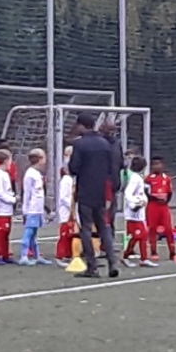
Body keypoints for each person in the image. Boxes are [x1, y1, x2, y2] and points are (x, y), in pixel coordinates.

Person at [68, 111, 119, 279]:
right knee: (104, 227)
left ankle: (92, 266)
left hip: (85, 190)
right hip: (101, 191)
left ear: (81, 125)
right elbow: (112, 167)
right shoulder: (105, 143)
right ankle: (112, 262)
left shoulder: (80, 144)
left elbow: (74, 168)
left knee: (86, 228)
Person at [121, 156, 158, 268]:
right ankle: (125, 256)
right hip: (133, 214)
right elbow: (128, 193)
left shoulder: (137, 177)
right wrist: (137, 203)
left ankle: (143, 259)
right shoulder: (135, 178)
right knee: (137, 236)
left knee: (142, 236)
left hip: (138, 214)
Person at [18, 148, 52, 266]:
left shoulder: (37, 174)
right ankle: (23, 255)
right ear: (39, 159)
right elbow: (27, 193)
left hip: (37, 209)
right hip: (32, 209)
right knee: (29, 231)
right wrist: (25, 210)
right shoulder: (30, 174)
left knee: (34, 233)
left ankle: (37, 256)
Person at [145, 155, 175, 261]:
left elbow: (170, 192)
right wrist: (155, 198)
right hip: (153, 206)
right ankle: (153, 251)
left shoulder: (167, 178)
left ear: (162, 165)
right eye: (154, 164)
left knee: (168, 229)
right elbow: (146, 192)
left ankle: (172, 252)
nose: (156, 166)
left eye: (158, 164)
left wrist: (166, 201)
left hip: (163, 207)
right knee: (152, 228)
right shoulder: (148, 179)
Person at [0, 149, 17, 265]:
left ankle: (5, 254)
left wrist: (13, 196)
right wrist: (12, 200)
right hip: (0, 210)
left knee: (6, 233)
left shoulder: (5, 174)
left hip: (7, 210)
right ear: (6, 160)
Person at [100, 116, 124, 230]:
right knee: (105, 212)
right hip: (104, 183)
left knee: (109, 212)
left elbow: (121, 163)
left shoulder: (116, 144)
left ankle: (107, 234)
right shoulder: (102, 144)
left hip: (110, 183)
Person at [54, 146, 76, 268]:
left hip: (71, 212)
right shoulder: (66, 180)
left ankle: (68, 254)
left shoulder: (71, 179)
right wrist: (71, 206)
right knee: (64, 233)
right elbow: (64, 197)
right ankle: (60, 255)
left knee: (71, 233)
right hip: (66, 212)